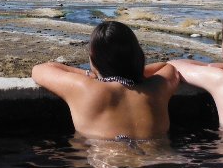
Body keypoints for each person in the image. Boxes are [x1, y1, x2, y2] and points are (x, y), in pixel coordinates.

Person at [31, 20, 180, 140]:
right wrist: (131, 73)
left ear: (93, 55)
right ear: (137, 54)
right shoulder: (156, 88)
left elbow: (39, 70)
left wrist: (91, 74)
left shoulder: (84, 88)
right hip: (157, 166)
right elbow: (167, 67)